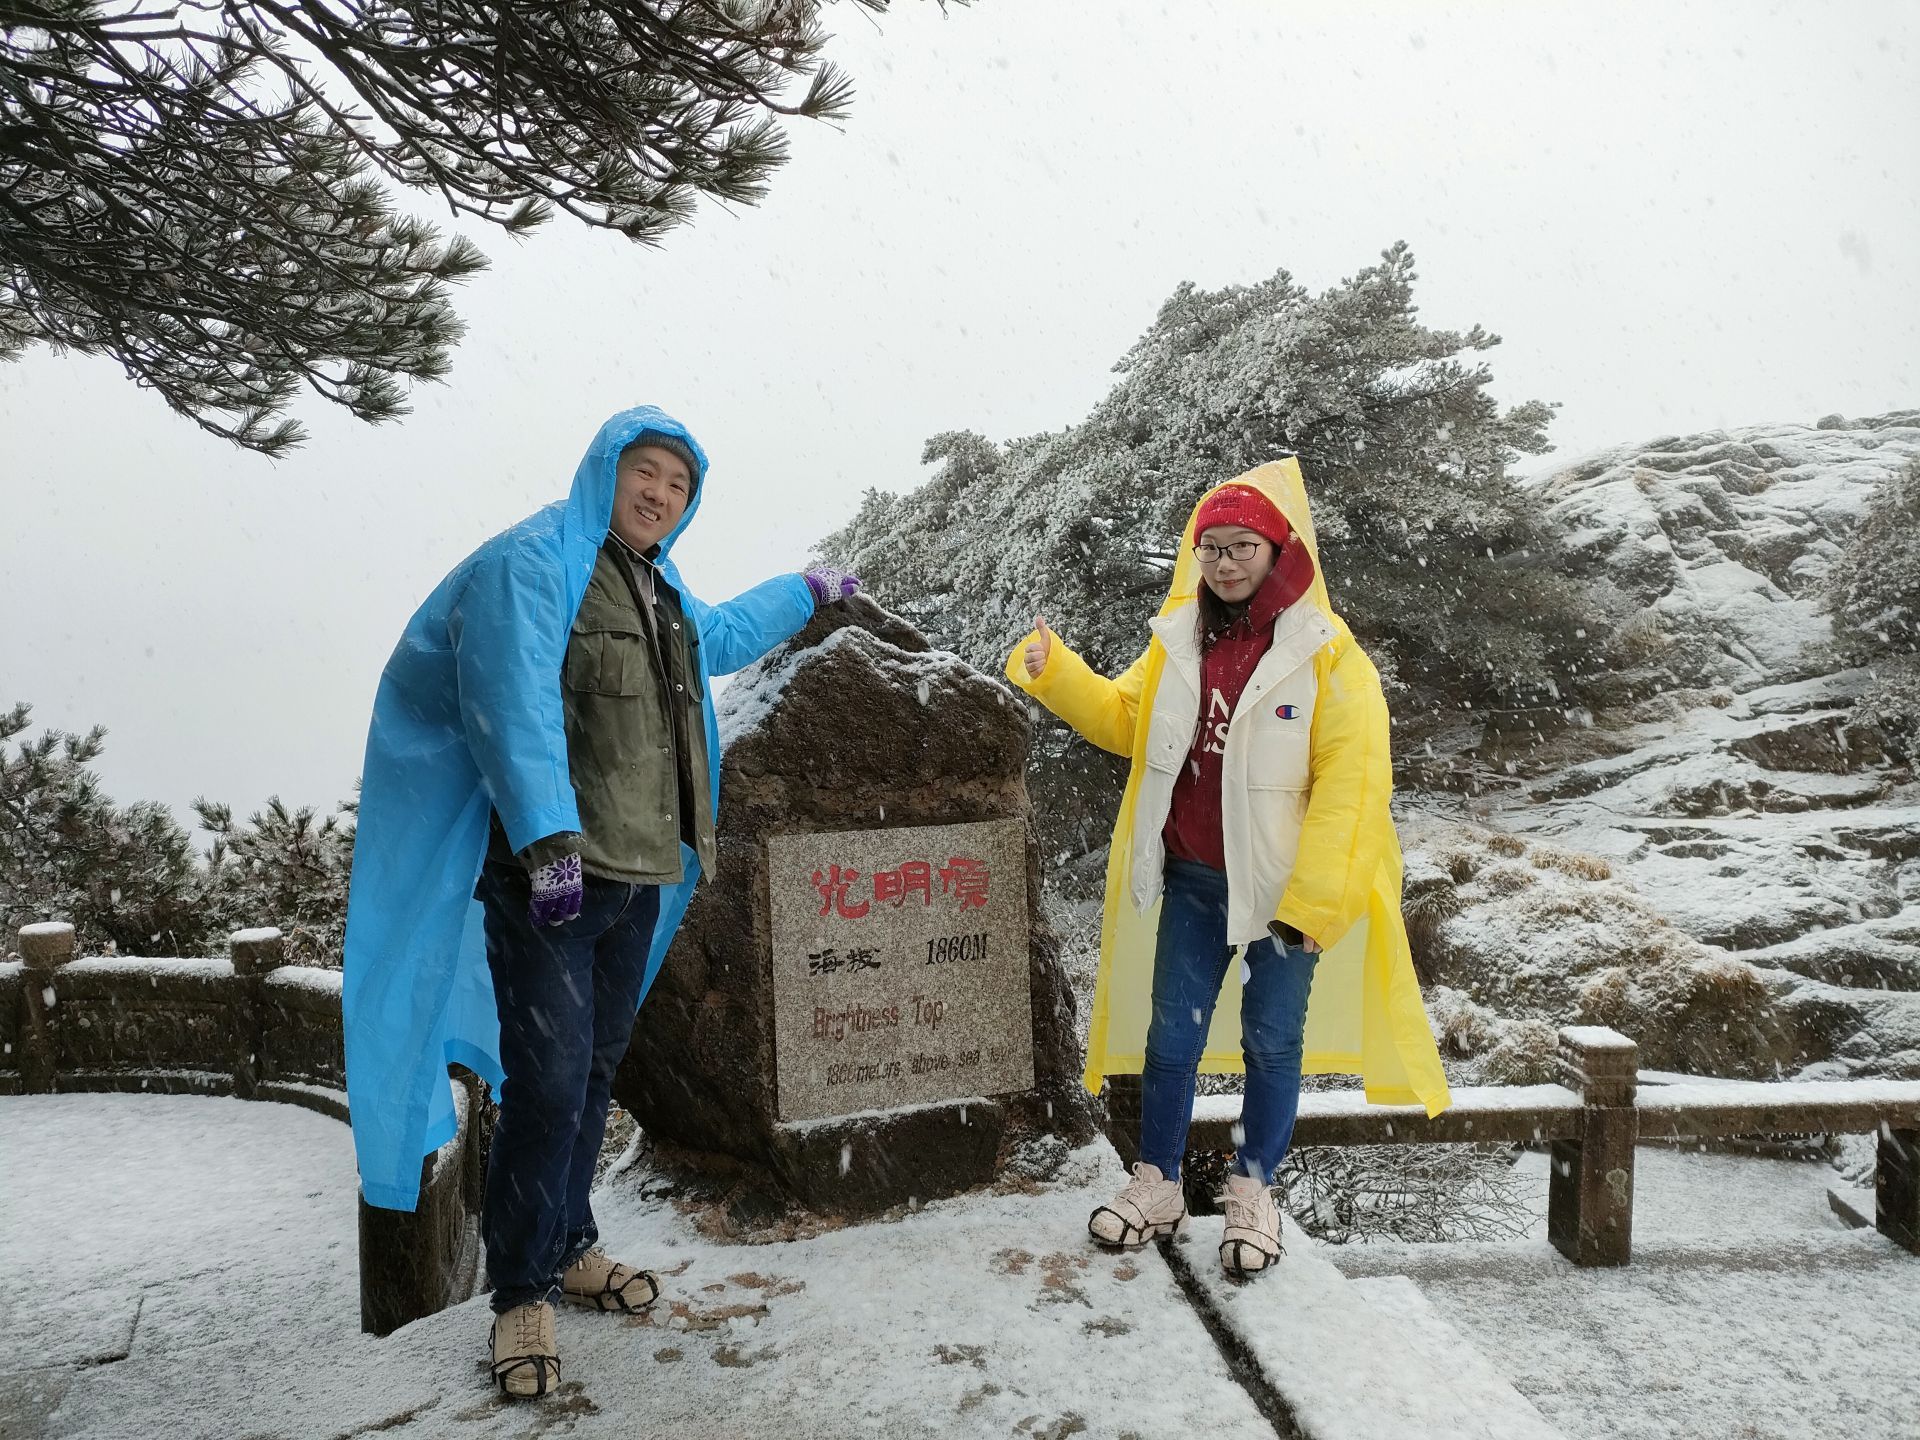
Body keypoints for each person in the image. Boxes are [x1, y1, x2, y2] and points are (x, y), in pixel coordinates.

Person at [342, 406, 860, 1398]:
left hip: (638, 874)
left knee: (592, 1073)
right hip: (554, 881)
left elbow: (721, 636)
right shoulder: (535, 563)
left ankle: (568, 1241)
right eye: (647, 472)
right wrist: (544, 839)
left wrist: (806, 590)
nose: (661, 493)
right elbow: (510, 699)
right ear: (605, 470)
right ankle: (521, 1293)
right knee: (546, 1082)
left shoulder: (655, 585)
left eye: (679, 483)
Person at [1006, 459, 1449, 1277]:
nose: (1224, 561)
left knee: (1271, 1043)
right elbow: (1124, 722)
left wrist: (1314, 907)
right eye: (1210, 546)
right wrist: (1057, 673)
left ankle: (1253, 1190)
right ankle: (1158, 1183)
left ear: (1277, 550)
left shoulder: (1330, 656)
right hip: (1195, 878)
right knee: (1168, 1037)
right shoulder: (1177, 639)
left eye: (1242, 544)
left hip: (1287, 893)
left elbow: (1352, 789)